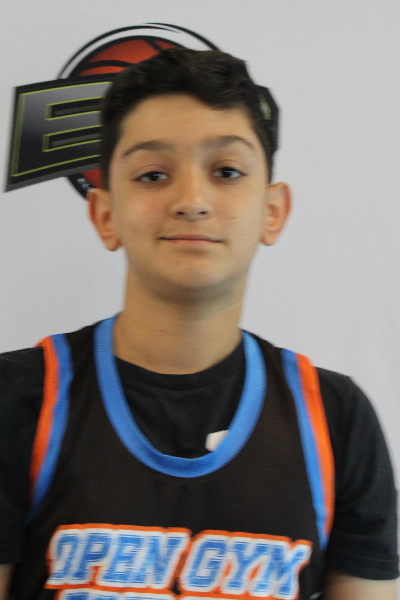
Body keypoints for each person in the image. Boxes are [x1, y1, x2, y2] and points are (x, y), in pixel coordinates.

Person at [0, 48, 398, 600]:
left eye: (226, 172)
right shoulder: (18, 399)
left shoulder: (335, 420)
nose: (191, 200)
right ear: (105, 214)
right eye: (153, 174)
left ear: (273, 211)